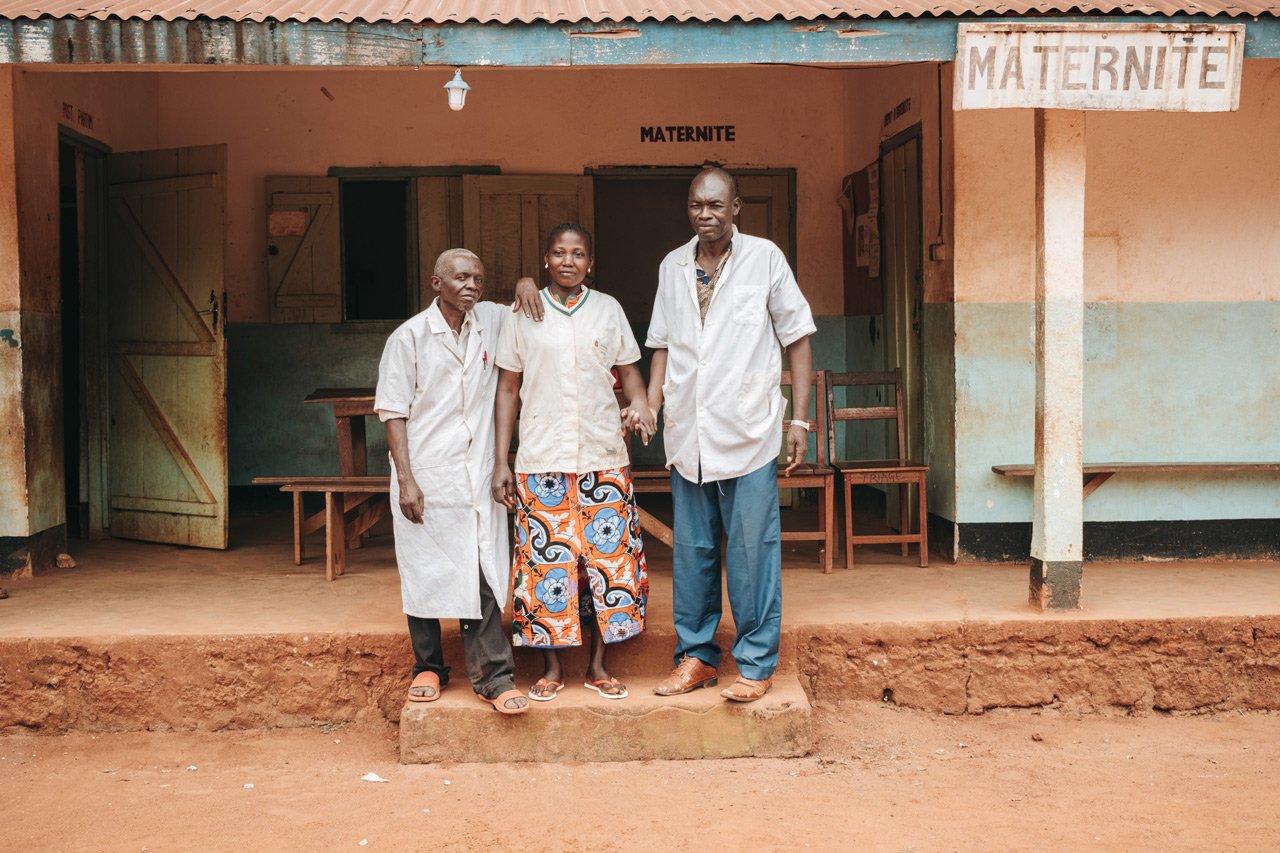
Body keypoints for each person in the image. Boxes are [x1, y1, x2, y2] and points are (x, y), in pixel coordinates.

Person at [643, 167, 816, 703]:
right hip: (689, 435)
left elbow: (799, 339)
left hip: (750, 432)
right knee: (693, 552)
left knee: (750, 553)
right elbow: (662, 345)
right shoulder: (673, 266)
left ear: (736, 207)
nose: (705, 214)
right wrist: (650, 404)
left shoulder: (765, 258)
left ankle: (757, 663)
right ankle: (696, 659)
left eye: (716, 205)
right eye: (696, 205)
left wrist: (800, 421)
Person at [492, 224, 655, 702]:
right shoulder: (522, 312)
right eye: (559, 253)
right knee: (547, 564)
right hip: (541, 457)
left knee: (610, 564)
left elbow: (630, 374)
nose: (568, 261)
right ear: (546, 260)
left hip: (603, 455)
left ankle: (599, 666)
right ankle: (551, 667)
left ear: (590, 262)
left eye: (578, 253)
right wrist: (502, 459)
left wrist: (641, 405)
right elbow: (507, 390)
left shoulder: (608, 310)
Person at [374, 248, 540, 715]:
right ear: (436, 284)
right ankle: (428, 666)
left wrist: (526, 278)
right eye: (461, 278)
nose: (471, 286)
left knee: (482, 567)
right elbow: (392, 411)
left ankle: (494, 676)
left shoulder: (488, 318)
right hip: (427, 471)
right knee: (425, 569)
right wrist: (406, 479)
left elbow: (522, 304)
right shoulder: (408, 338)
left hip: (478, 471)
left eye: (478, 279)